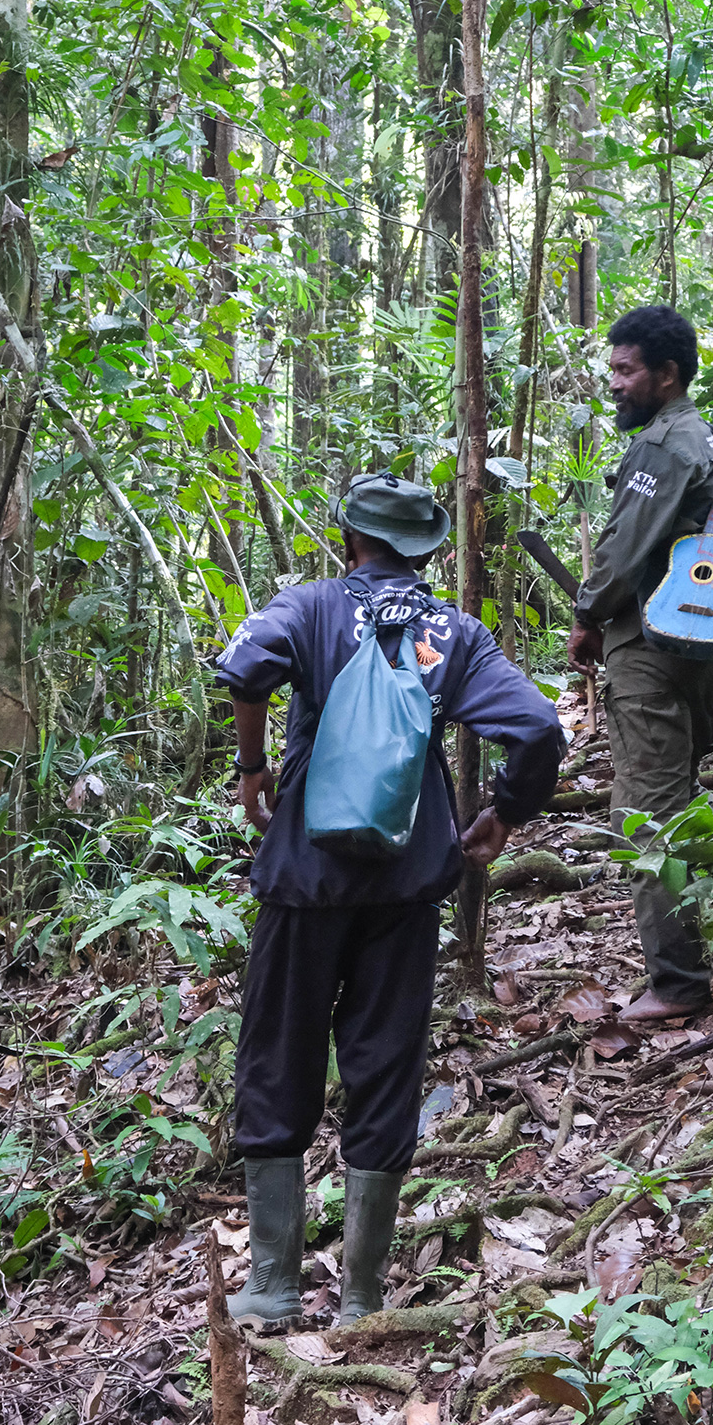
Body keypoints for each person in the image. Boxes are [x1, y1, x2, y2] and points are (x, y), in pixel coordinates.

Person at [216, 471, 564, 1327]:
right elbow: (537, 729)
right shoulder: (457, 633)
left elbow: (246, 667)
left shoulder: (311, 607)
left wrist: (253, 768)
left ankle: (273, 1285)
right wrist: (503, 816)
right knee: (385, 1064)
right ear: (427, 551)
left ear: (350, 539)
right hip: (408, 883)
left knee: (278, 1057)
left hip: (305, 879)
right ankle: (362, 1295)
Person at [566, 304, 713, 1031]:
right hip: (701, 651)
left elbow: (624, 549)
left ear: (666, 375)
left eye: (625, 370)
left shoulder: (666, 444)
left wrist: (587, 615)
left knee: (645, 814)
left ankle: (680, 980)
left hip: (652, 652)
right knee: (682, 794)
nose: (614, 383)